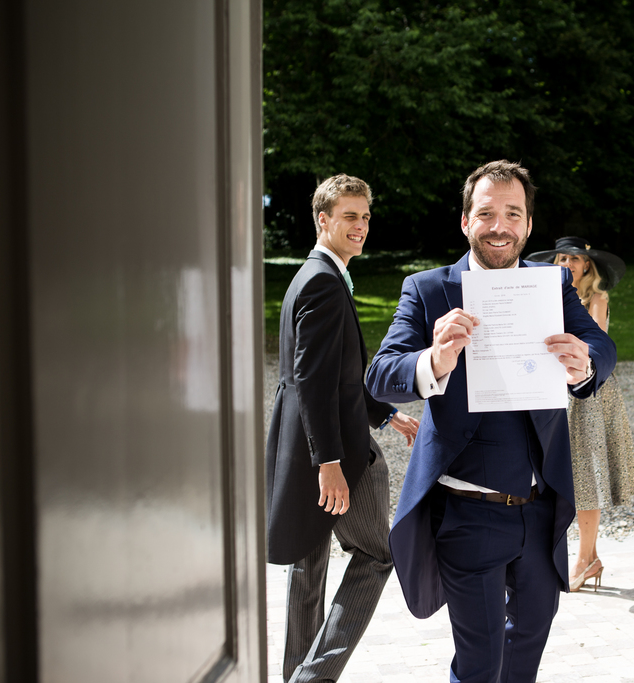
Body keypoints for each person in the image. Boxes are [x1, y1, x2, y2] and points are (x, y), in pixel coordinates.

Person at [365, 160, 617, 683]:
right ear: (465, 222)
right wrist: (433, 359)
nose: (499, 225)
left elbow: (601, 345)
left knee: (526, 651)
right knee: (480, 665)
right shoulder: (429, 289)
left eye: (512, 213)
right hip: (467, 515)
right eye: (486, 213)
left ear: (527, 225)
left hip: (539, 511)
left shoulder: (552, 286)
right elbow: (380, 375)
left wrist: (585, 362)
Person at [265, 174, 419, 683]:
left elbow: (338, 375)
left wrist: (386, 413)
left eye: (365, 217)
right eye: (349, 216)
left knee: (307, 570)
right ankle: (314, 676)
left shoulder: (313, 277)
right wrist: (328, 463)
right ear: (322, 219)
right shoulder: (325, 284)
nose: (361, 226)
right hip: (337, 457)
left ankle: (296, 675)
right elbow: (310, 380)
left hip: (305, 450)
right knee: (377, 556)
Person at [527, 237, 634, 592]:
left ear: (587, 265)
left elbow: (597, 345)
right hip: (552, 389)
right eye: (562, 258)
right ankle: (583, 558)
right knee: (559, 475)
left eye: (574, 259)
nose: (567, 264)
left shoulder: (596, 299)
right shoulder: (548, 297)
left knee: (588, 476)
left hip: (589, 392)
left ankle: (585, 558)